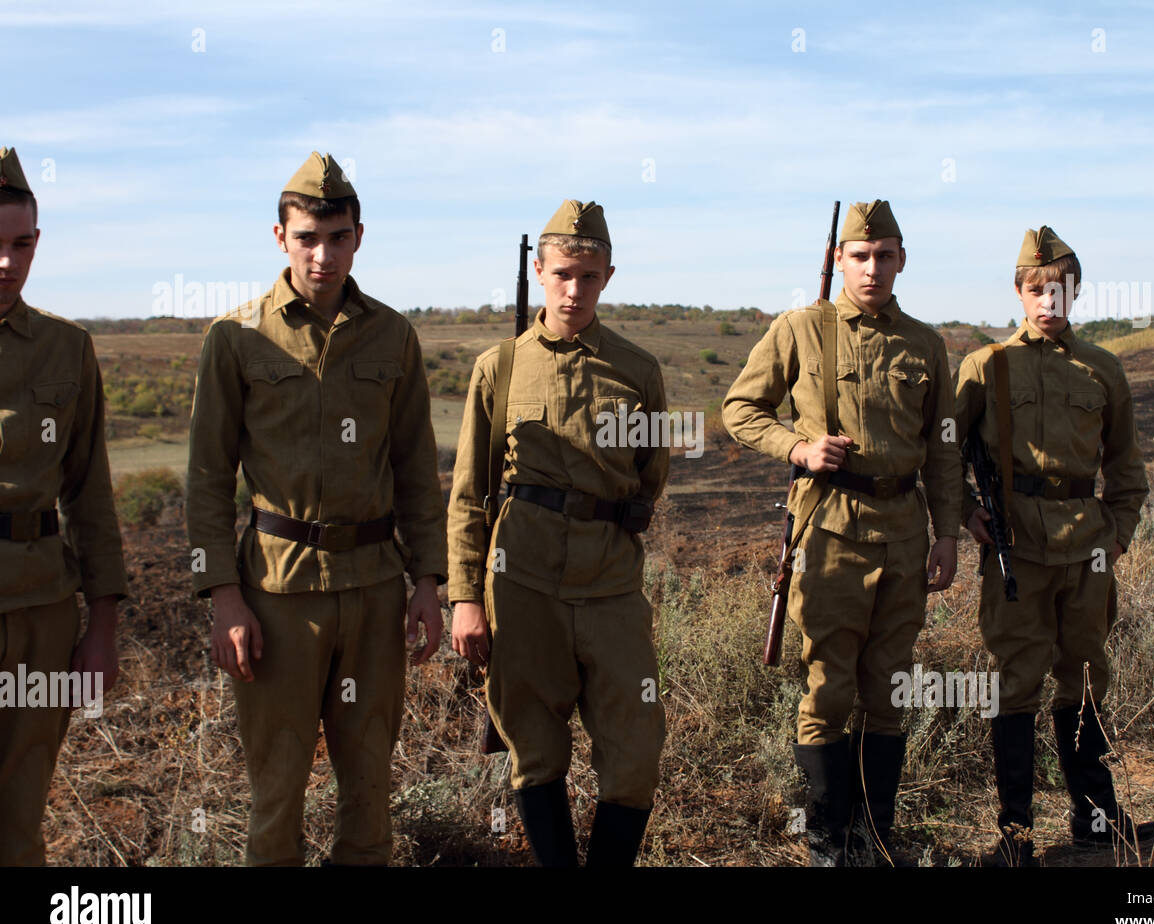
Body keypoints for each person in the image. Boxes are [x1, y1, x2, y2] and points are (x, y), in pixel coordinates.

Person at [185, 152, 446, 865]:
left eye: (337, 237)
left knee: (369, 790)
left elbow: (417, 470)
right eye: (307, 237)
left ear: (359, 236)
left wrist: (429, 582)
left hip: (372, 590)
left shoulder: (392, 337)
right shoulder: (235, 337)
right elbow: (207, 477)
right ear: (279, 237)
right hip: (276, 597)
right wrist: (223, 598)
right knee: (278, 792)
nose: (322, 254)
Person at [723, 200, 962, 866]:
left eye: (886, 255)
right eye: (860, 256)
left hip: (906, 531)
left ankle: (876, 834)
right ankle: (829, 838)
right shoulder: (801, 329)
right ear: (839, 261)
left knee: (889, 688)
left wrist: (947, 534)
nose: (873, 268)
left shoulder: (924, 343)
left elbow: (944, 449)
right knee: (828, 687)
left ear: (902, 260)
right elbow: (741, 409)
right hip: (828, 528)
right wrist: (799, 447)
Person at [447, 200, 668, 867]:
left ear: (608, 277)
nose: (575, 290)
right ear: (539, 271)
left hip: (609, 584)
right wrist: (464, 596)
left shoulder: (638, 370)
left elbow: (649, 476)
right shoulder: (500, 368)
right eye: (564, 273)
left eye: (590, 277)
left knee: (635, 749)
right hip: (523, 582)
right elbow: (469, 490)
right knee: (535, 751)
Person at [953, 225, 1154, 866]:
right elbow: (943, 456)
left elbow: (1125, 467)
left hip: (1088, 548)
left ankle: (1095, 820)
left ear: (1076, 292)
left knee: (1087, 677)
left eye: (1061, 289)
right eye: (1038, 289)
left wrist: (1117, 537)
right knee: (1016, 683)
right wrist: (966, 515)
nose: (1050, 301)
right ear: (1019, 292)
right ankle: (1015, 835)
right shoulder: (987, 365)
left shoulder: (1103, 367)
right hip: (1017, 548)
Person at [0, 147, 128, 865]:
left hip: (42, 617)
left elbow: (89, 494)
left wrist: (101, 624)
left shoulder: (66, 348)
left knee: (20, 827)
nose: (5, 264)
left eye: (20, 245)